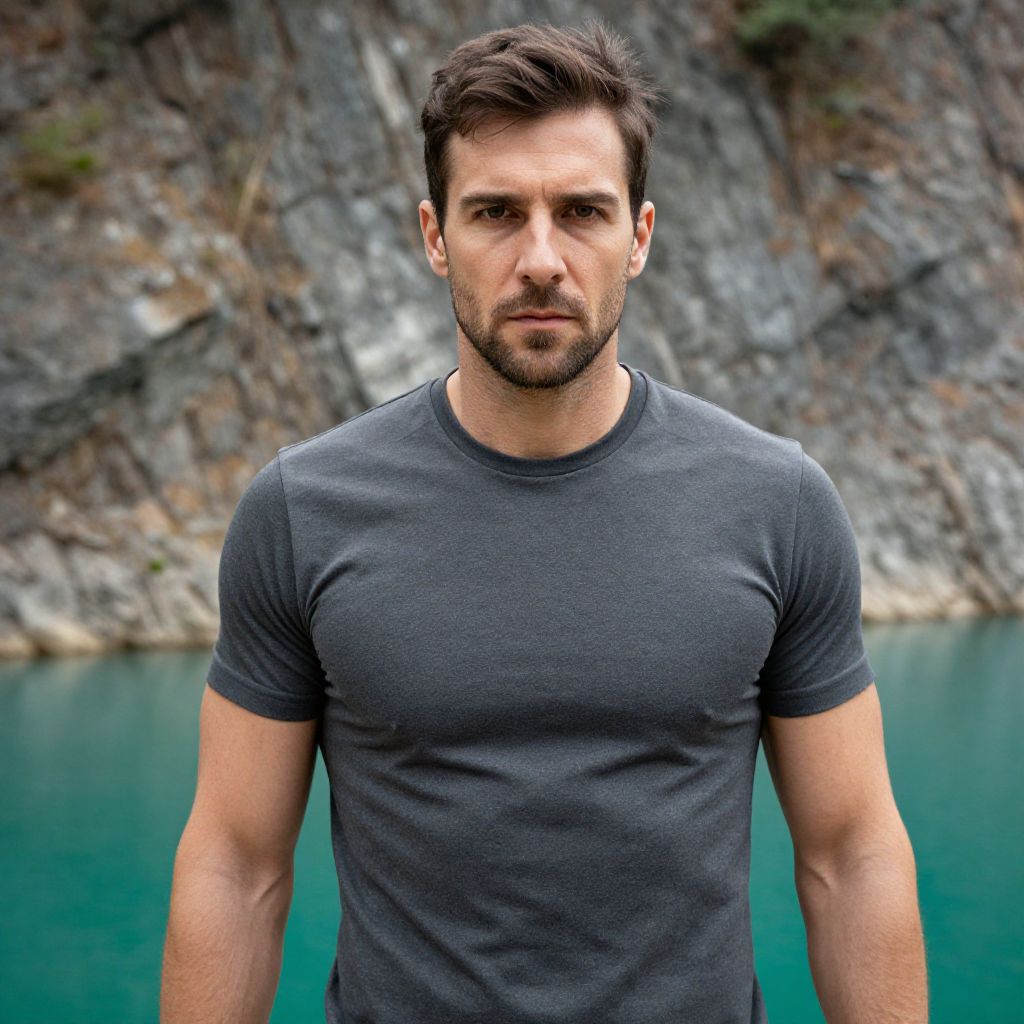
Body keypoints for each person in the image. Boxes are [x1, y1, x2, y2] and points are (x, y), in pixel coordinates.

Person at [161, 19, 928, 1024]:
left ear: (638, 236)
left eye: (580, 211)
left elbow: (849, 853)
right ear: (436, 237)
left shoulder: (775, 502)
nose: (539, 258)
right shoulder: (303, 511)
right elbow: (237, 864)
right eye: (494, 212)